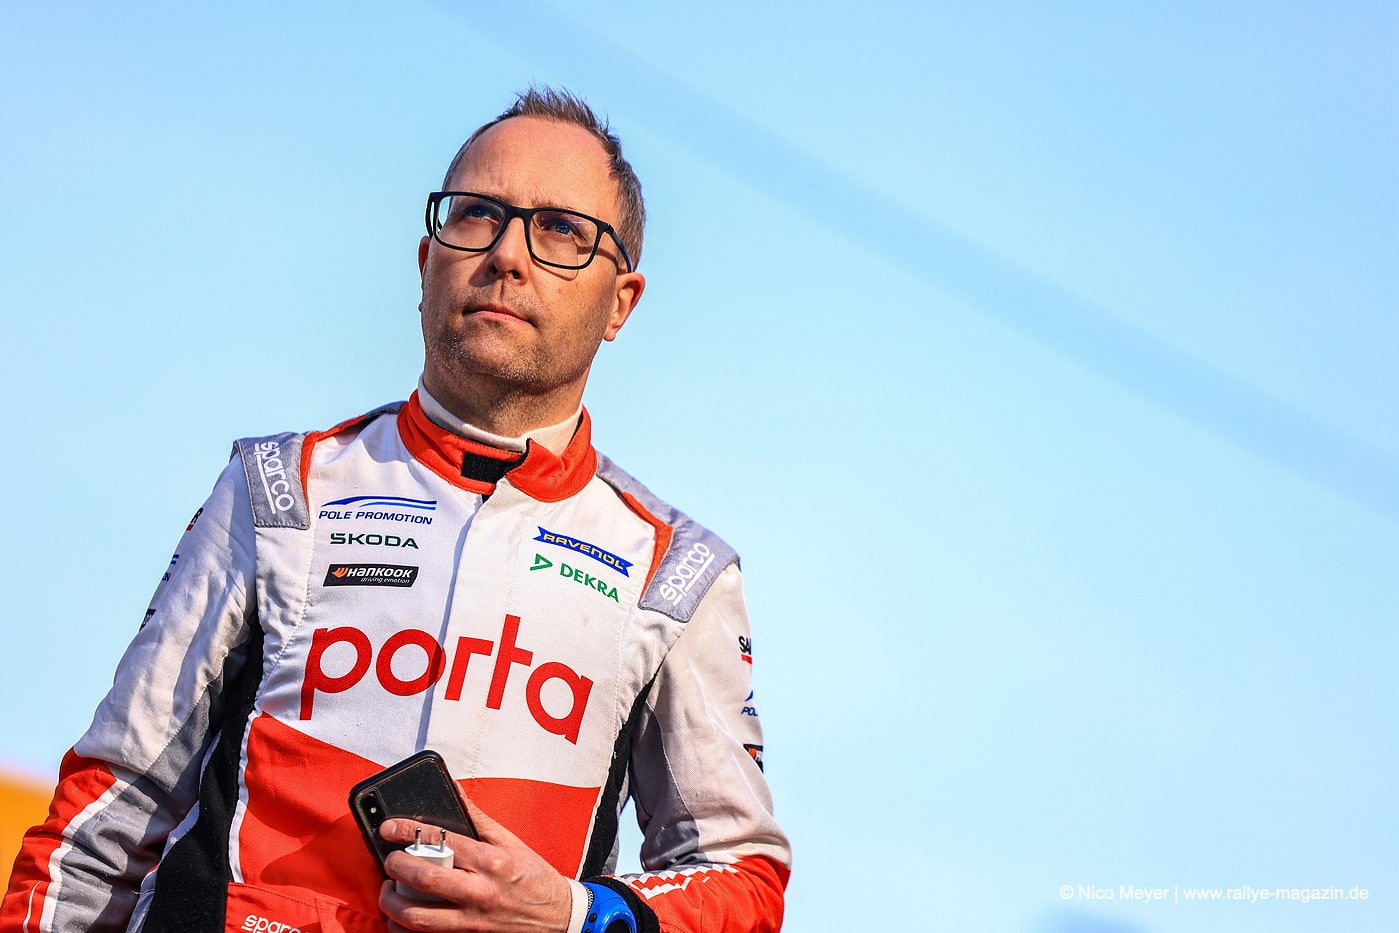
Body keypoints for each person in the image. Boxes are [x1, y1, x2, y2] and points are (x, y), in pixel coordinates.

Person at [3, 87, 790, 933]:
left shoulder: (677, 571)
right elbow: (105, 815)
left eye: (561, 229)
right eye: (477, 213)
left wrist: (570, 914)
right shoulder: (279, 489)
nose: (507, 254)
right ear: (425, 263)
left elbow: (741, 880)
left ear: (620, 303)